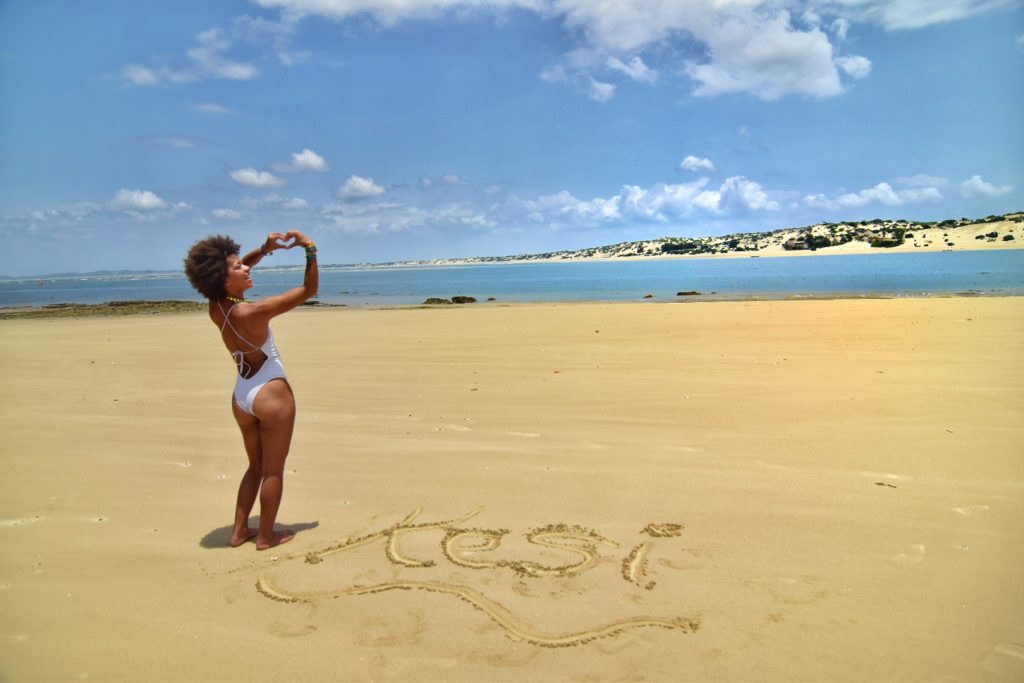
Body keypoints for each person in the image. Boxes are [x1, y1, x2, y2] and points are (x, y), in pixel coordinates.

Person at [183, 231, 319, 550]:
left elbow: (239, 266)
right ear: (222, 278)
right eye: (238, 268)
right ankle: (267, 536)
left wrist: (264, 250)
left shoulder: (217, 306)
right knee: (273, 470)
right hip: (270, 393)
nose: (246, 268)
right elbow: (309, 290)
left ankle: (239, 531)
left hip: (242, 396)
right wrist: (309, 249)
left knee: (254, 467)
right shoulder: (252, 312)